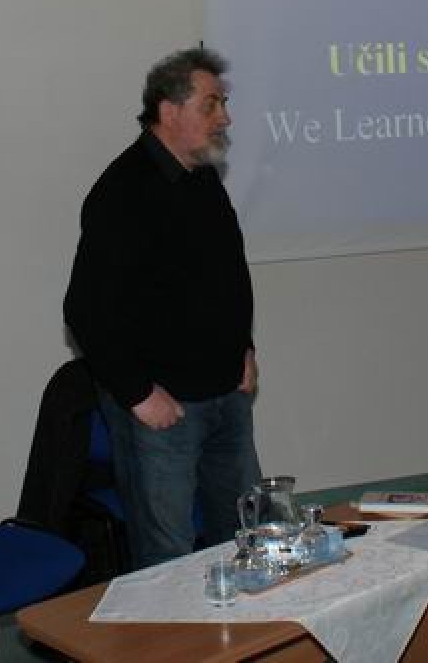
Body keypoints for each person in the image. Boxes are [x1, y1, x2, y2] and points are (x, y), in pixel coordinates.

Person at [62, 47, 260, 569]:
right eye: (211, 104)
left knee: (245, 539)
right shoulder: (121, 192)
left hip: (227, 396)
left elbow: (227, 276)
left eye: (223, 104)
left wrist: (244, 348)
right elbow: (85, 308)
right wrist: (138, 393)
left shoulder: (203, 179)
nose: (225, 118)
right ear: (169, 111)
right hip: (163, 408)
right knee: (167, 559)